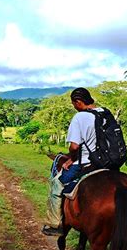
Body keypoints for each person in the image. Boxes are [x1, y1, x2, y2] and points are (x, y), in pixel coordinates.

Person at [42, 87, 102, 236]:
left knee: (57, 184)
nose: (74, 107)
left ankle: (55, 225)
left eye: (74, 104)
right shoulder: (105, 113)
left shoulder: (80, 117)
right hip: (107, 163)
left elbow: (74, 146)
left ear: (78, 102)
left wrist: (72, 158)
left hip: (87, 163)